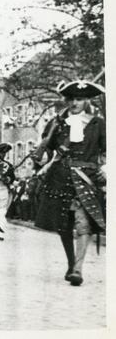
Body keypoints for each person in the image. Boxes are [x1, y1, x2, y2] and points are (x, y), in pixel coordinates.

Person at [34, 79, 106, 286]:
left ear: (87, 101)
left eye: (80, 99)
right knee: (63, 224)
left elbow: (108, 149)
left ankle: (78, 269)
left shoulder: (98, 123)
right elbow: (46, 149)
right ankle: (71, 262)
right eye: (72, 99)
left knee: (83, 223)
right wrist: (41, 158)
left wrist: (107, 168)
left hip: (87, 177)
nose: (75, 103)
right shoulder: (57, 122)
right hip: (60, 177)